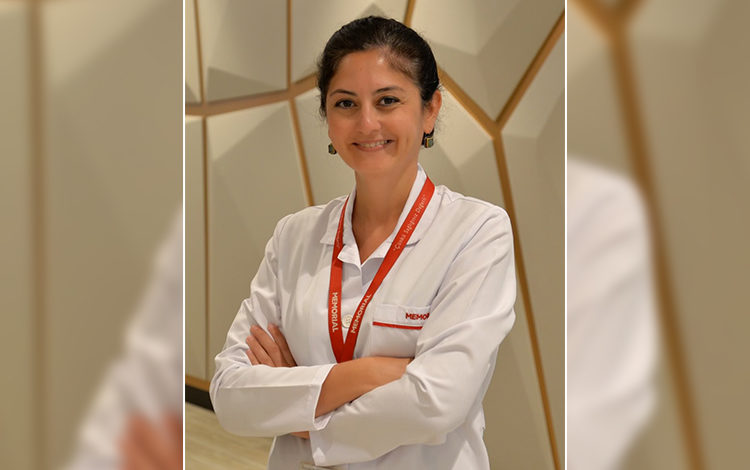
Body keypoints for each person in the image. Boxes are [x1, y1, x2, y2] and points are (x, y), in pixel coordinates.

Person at [210, 16, 516, 469]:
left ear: (430, 109)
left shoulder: (477, 232)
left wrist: (299, 409)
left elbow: (437, 402)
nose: (367, 122)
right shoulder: (294, 235)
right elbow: (231, 395)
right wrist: (369, 374)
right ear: (327, 118)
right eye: (345, 103)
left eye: (388, 100)